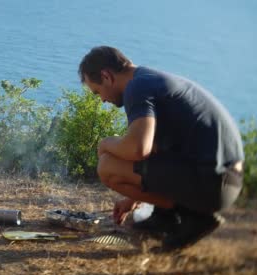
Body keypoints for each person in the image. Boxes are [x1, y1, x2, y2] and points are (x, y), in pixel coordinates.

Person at [78, 46, 244, 251]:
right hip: (225, 182)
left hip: (214, 184)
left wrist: (104, 144)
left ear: (106, 76)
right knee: (125, 157)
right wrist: (132, 198)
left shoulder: (137, 87)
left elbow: (139, 149)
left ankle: (194, 219)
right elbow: (154, 150)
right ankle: (165, 217)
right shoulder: (148, 79)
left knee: (107, 165)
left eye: (97, 92)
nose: (102, 99)